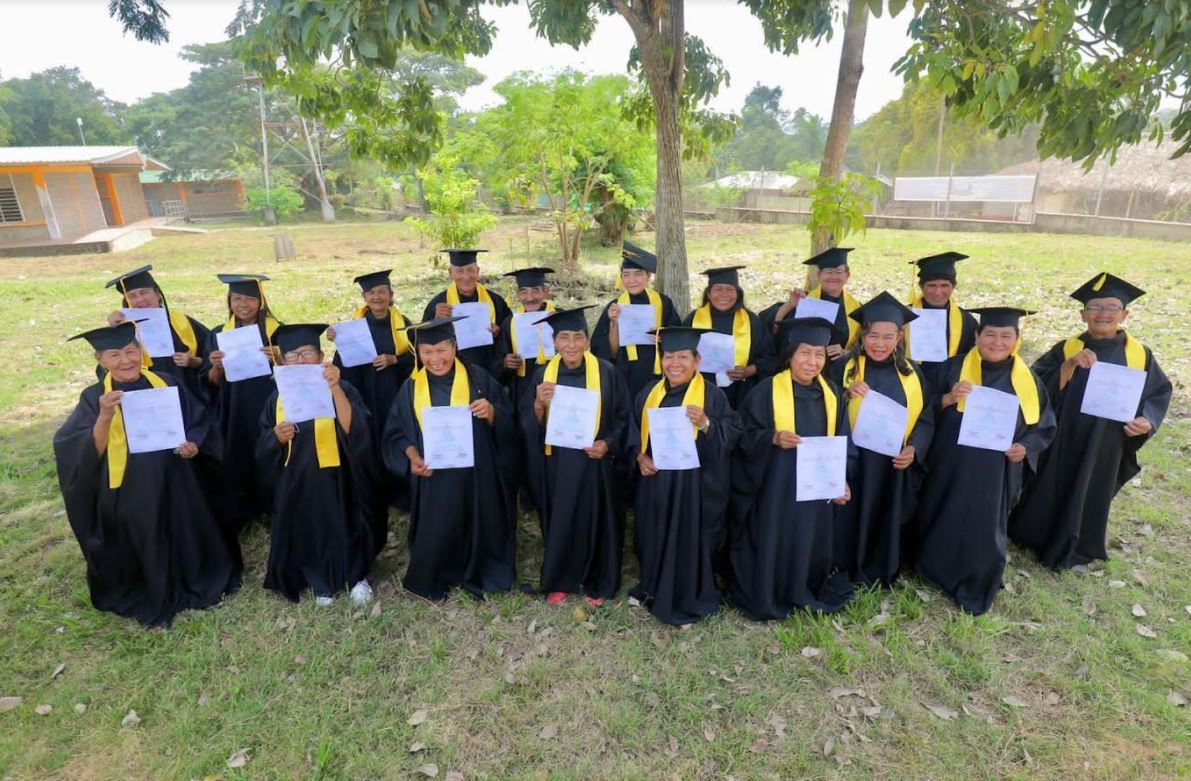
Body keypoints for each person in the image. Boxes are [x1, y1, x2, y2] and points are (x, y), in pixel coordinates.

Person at [53, 321, 241, 628]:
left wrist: (194, 444)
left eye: (130, 351)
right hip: (128, 486)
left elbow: (198, 421)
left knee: (185, 519)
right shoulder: (94, 398)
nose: (125, 360)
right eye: (114, 355)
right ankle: (152, 587)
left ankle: (195, 577)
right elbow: (76, 449)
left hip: (177, 478)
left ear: (141, 350)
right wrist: (104, 416)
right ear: (100, 361)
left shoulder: (166, 382)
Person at [1009, 273, 1171, 569]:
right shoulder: (1066, 348)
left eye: (1111, 307)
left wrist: (1146, 420)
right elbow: (1033, 384)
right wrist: (1068, 365)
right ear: (1083, 314)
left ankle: (1079, 542)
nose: (1103, 314)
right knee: (1051, 480)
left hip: (1106, 440)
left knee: (1089, 485)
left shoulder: (1139, 355)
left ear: (1125, 314)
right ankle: (1034, 534)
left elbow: (1158, 392)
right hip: (1063, 434)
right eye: (1095, 307)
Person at [913, 307, 1056, 615]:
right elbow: (919, 407)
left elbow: (1044, 425)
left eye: (1006, 336)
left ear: (1017, 339)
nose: (997, 342)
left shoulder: (1028, 380)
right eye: (990, 334)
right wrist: (947, 399)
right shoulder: (951, 369)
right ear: (977, 336)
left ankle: (977, 574)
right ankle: (932, 568)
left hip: (996, 471)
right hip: (950, 464)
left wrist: (1024, 448)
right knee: (941, 511)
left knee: (985, 523)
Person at [727, 317, 856, 620]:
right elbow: (741, 437)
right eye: (805, 353)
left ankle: (805, 585)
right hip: (776, 488)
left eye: (819, 354)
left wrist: (841, 480)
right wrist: (772, 437)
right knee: (775, 536)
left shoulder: (833, 394)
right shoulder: (765, 391)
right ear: (790, 354)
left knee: (811, 538)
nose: (812, 362)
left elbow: (843, 441)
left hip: (816, 490)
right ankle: (771, 588)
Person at [382, 317, 517, 601]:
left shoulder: (478, 378)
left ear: (454, 346)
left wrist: (492, 412)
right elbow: (396, 432)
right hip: (434, 476)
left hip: (477, 473)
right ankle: (439, 570)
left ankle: (480, 568)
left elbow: (508, 419)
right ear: (418, 353)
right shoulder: (411, 387)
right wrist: (413, 457)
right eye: (427, 352)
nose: (435, 358)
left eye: (442, 349)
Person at [256, 324, 386, 605]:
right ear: (282, 361)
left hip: (342, 474)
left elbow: (357, 428)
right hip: (299, 479)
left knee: (348, 520)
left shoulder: (341, 386)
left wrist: (336, 388)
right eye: (293, 355)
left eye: (307, 352)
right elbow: (263, 442)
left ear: (320, 354)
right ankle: (319, 581)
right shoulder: (277, 397)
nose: (301, 360)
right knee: (308, 527)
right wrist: (276, 437)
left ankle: (356, 576)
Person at [628, 327, 741, 625]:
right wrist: (640, 457)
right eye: (668, 357)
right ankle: (653, 587)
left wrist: (706, 423)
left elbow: (733, 434)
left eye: (682, 357)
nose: (674, 364)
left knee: (692, 536)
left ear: (697, 361)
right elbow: (631, 431)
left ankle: (691, 594)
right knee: (653, 533)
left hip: (696, 485)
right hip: (657, 481)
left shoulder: (712, 396)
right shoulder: (648, 393)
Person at [521, 306, 631, 607]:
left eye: (578, 337)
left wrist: (607, 444)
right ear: (554, 342)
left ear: (587, 340)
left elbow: (624, 418)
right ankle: (562, 579)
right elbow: (527, 424)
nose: (571, 344)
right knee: (562, 519)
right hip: (557, 463)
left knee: (597, 520)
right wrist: (539, 405)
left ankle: (598, 581)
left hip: (596, 463)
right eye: (564, 338)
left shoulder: (608, 373)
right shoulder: (543, 375)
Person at [830, 291, 934, 586]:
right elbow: (821, 406)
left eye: (888, 337)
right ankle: (842, 564)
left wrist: (914, 448)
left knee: (885, 513)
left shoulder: (913, 374)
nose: (880, 344)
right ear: (862, 336)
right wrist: (846, 395)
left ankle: (880, 566)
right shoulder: (843, 368)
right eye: (873, 336)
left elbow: (926, 417)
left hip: (891, 465)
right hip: (854, 461)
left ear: (900, 337)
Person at [201, 273, 282, 531]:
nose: (243, 304)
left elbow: (296, 372)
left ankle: (275, 507)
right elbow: (212, 382)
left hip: (268, 405)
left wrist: (279, 358)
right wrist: (216, 366)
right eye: (237, 299)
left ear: (261, 302)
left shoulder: (277, 331)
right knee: (238, 454)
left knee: (270, 453)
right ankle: (244, 510)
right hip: (234, 406)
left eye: (250, 298)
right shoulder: (217, 335)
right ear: (229, 301)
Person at [328, 269, 414, 508]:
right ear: (365, 298)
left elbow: (418, 356)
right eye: (371, 293)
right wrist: (337, 338)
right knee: (367, 436)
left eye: (382, 292)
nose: (377, 297)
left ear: (391, 294)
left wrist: (393, 359)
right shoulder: (352, 327)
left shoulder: (402, 324)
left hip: (392, 391)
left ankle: (398, 487)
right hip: (363, 391)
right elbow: (340, 365)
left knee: (393, 434)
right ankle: (372, 489)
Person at [492, 266, 557, 510]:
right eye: (524, 291)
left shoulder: (559, 317)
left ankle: (554, 488)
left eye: (536, 290)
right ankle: (529, 494)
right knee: (528, 440)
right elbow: (497, 361)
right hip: (522, 388)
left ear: (546, 291)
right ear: (518, 295)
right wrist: (506, 363)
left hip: (554, 386)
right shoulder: (510, 323)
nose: (530, 297)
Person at [104, 265, 212, 404]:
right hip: (142, 397)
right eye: (132, 296)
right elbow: (107, 367)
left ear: (158, 294)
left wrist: (194, 361)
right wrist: (113, 331)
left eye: (144, 292)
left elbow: (214, 355)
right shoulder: (124, 327)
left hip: (188, 396)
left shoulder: (182, 322)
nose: (140, 299)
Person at [591, 241, 682, 397]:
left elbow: (678, 339)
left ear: (648, 276)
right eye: (626, 275)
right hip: (624, 374)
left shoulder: (663, 303)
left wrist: (663, 337)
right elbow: (610, 353)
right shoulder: (614, 307)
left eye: (638, 274)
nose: (632, 280)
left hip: (657, 373)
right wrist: (613, 322)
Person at [681, 265, 777, 407]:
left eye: (730, 289)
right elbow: (680, 351)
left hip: (741, 392)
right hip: (701, 390)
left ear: (738, 293)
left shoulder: (752, 322)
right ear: (708, 294)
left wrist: (749, 370)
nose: (724, 295)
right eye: (718, 289)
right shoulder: (693, 320)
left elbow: (770, 357)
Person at [760, 247, 861, 362]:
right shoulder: (803, 302)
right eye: (828, 271)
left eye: (839, 272)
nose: (833, 277)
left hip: (840, 370)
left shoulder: (857, 308)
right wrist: (789, 305)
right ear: (819, 275)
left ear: (847, 275)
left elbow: (865, 345)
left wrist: (845, 352)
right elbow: (774, 333)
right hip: (805, 366)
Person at [421, 249, 512, 371]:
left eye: (470, 270)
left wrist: (499, 332)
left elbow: (510, 334)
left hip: (489, 368)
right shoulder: (439, 304)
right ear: (450, 273)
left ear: (478, 271)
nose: (466, 276)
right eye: (459, 271)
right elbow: (423, 341)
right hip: (452, 369)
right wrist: (436, 321)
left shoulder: (496, 301)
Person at [904, 251, 978, 391]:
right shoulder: (905, 316)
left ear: (953, 286)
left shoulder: (966, 321)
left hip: (950, 387)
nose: (938, 292)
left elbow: (973, 358)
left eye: (945, 285)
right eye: (932, 285)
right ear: (921, 286)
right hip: (910, 384)